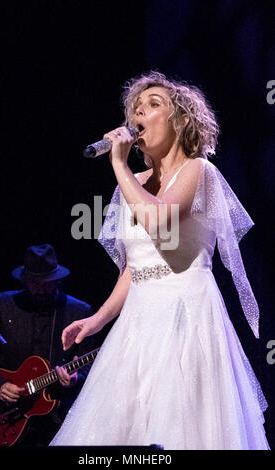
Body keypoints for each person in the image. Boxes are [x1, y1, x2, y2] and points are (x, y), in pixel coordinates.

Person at [50, 71, 270, 450]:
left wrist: (118, 166)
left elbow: (157, 219)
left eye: (153, 105)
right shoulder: (134, 180)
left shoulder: (199, 172)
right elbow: (135, 267)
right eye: (136, 108)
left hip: (188, 311)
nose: (139, 114)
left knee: (182, 426)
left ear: (182, 120)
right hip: (138, 320)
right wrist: (98, 318)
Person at [0, 244, 96, 446]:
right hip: (7, 413)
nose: (41, 288)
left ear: (58, 280)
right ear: (25, 280)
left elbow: (90, 362)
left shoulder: (78, 312)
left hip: (57, 414)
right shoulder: (5, 304)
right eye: (34, 283)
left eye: (47, 283)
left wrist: (76, 378)